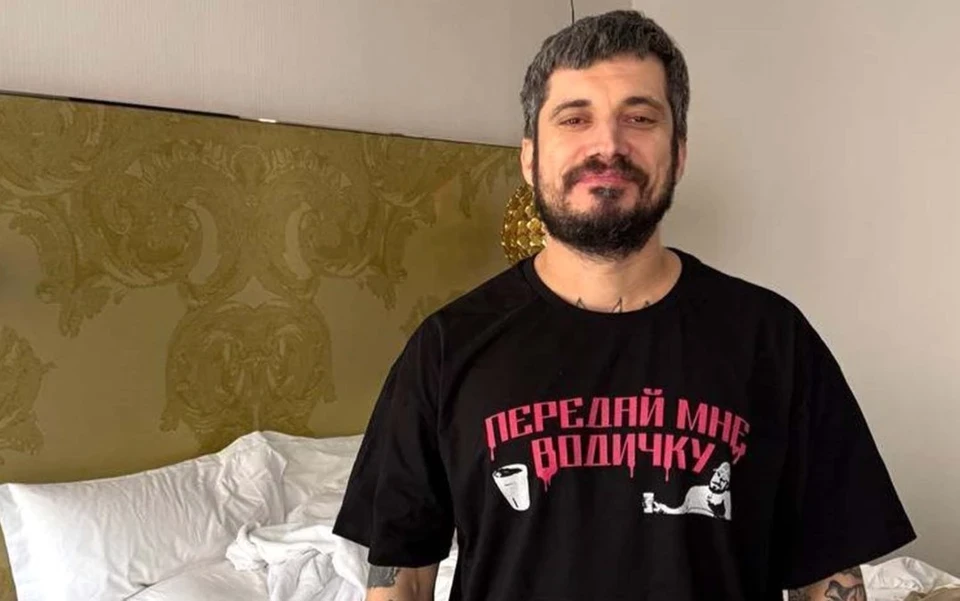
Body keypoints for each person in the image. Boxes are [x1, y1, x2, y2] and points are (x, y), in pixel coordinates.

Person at [333, 9, 915, 601]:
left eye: (639, 118)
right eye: (574, 118)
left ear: (678, 153)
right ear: (529, 157)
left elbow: (829, 577)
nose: (608, 145)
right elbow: (402, 577)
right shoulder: (446, 347)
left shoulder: (774, 339)